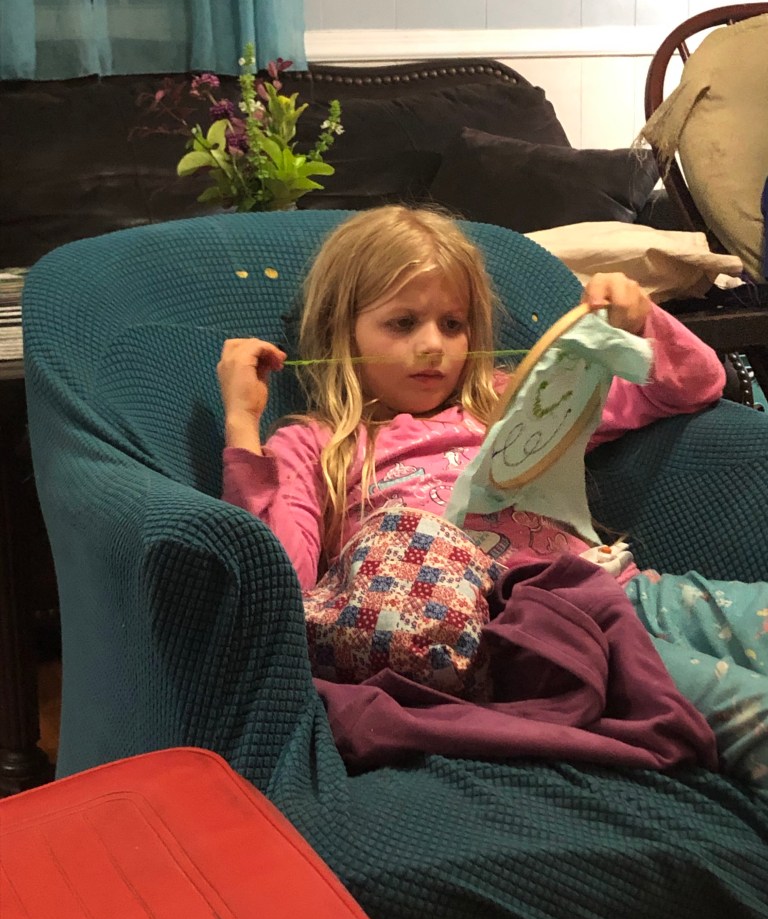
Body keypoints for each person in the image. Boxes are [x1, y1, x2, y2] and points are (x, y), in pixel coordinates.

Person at [218, 205, 768, 788]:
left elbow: (695, 386)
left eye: (452, 324)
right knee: (752, 712)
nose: (433, 345)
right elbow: (285, 578)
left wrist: (643, 322)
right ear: (341, 331)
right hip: (542, 639)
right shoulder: (318, 445)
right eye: (403, 323)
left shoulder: (508, 399)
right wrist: (242, 424)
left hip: (625, 589)